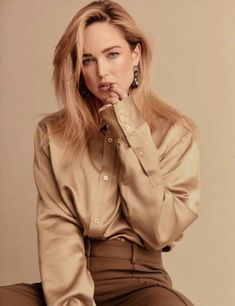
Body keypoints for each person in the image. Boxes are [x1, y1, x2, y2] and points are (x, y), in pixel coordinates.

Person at [0, 1, 200, 305]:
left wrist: (127, 127)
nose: (102, 72)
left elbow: (160, 228)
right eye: (88, 60)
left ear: (136, 54)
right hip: (69, 281)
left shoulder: (175, 131)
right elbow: (57, 228)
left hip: (140, 284)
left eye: (112, 54)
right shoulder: (53, 133)